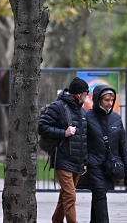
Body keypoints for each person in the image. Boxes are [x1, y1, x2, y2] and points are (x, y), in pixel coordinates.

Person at [77, 85, 127, 223]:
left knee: (99, 195)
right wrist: (85, 160)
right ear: (98, 100)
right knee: (100, 193)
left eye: (112, 100)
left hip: (110, 165)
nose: (110, 103)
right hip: (93, 163)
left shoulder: (116, 119)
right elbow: (80, 141)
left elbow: (123, 146)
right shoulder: (86, 116)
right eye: (106, 100)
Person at [38, 77, 89, 223]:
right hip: (63, 159)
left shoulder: (82, 111)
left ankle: (56, 221)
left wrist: (84, 161)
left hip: (77, 162)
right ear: (79, 94)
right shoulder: (58, 107)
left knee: (65, 196)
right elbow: (42, 126)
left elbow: (83, 138)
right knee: (70, 196)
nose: (87, 96)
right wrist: (63, 133)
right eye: (86, 93)